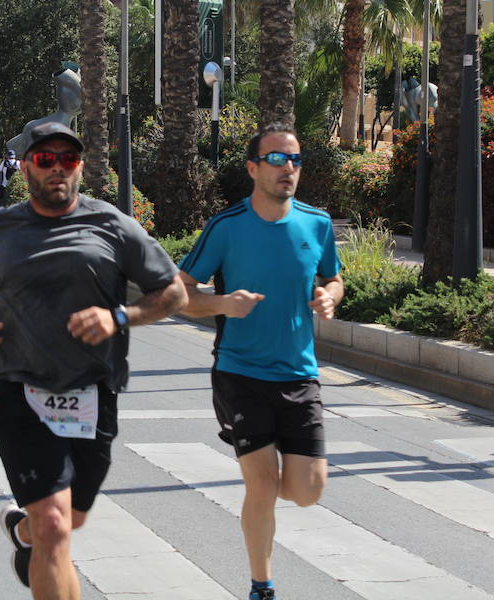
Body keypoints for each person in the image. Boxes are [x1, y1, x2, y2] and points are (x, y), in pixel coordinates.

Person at [0, 122, 187, 599]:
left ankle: (24, 532)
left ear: (79, 165)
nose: (58, 168)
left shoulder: (111, 224)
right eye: (45, 159)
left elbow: (171, 291)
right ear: (27, 165)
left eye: (67, 159)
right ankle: (37, 530)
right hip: (21, 390)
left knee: (66, 521)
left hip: (94, 393)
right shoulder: (0, 228)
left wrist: (120, 316)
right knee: (54, 525)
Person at [177, 123, 344, 600]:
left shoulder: (317, 223)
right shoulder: (226, 226)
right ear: (252, 168)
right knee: (261, 484)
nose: (287, 168)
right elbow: (182, 294)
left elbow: (334, 279)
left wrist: (329, 297)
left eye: (294, 159)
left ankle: (280, 488)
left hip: (299, 373)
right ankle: (261, 585)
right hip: (240, 372)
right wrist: (223, 304)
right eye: (275, 159)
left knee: (307, 489)